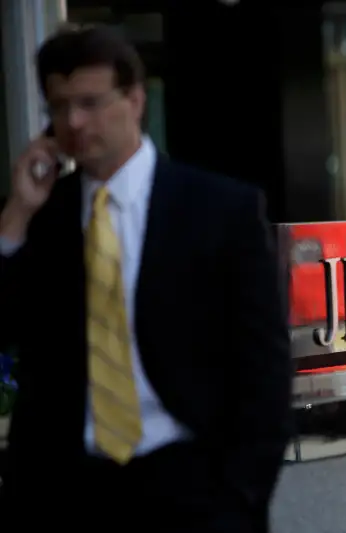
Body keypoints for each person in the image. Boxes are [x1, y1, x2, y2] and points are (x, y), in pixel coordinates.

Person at [0, 24, 292, 532]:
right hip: (69, 492)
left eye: (90, 103)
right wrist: (16, 217)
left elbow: (263, 366)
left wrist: (241, 498)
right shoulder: (45, 215)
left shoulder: (220, 209)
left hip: (189, 485)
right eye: (59, 106)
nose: (73, 122)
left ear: (135, 100)